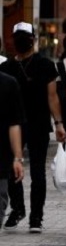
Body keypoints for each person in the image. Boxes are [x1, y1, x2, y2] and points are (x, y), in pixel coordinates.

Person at [0, 22, 66, 233]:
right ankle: (18, 208)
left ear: (33, 39)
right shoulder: (6, 68)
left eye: (24, 36)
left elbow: (52, 96)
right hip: (13, 126)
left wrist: (58, 123)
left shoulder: (46, 65)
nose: (20, 40)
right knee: (11, 169)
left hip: (38, 124)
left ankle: (36, 217)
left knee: (38, 172)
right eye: (17, 36)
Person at [0, 71, 25, 229]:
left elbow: (14, 124)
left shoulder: (8, 83)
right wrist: (17, 158)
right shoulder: (9, 82)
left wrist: (17, 157)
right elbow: (14, 124)